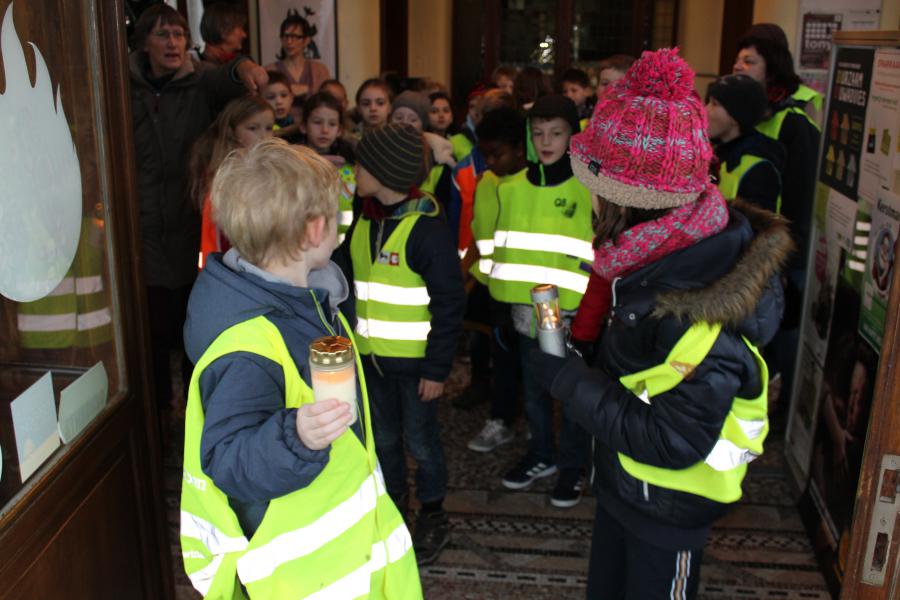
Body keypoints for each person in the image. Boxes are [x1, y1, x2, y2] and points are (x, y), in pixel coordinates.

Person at [545, 48, 793, 598]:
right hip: (626, 485)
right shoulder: (647, 258)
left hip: (669, 508)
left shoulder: (697, 306)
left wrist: (568, 379)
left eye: (593, 182)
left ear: (626, 199)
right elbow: (639, 375)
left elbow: (674, 438)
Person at [179, 139, 421, 598]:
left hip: (344, 554)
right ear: (314, 231)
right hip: (302, 578)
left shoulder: (310, 300)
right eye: (337, 215)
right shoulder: (248, 346)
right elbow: (228, 459)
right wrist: (297, 437)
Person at [334, 123, 465, 566]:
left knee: (421, 442)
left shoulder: (426, 230)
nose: (356, 170)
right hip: (371, 363)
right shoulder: (362, 217)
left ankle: (433, 512)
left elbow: (449, 304)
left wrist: (436, 369)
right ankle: (392, 508)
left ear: (386, 172)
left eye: (362, 163)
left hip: (415, 369)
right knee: (385, 439)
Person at [129, 4, 267, 417]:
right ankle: (155, 421)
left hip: (192, 228)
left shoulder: (200, 81)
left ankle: (196, 418)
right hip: (144, 231)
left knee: (196, 334)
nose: (172, 43)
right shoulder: (123, 84)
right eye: (162, 35)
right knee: (150, 338)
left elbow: (227, 81)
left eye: (178, 34)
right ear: (143, 43)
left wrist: (241, 65)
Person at [489, 95, 593, 509]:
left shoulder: (587, 188)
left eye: (556, 133)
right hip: (525, 309)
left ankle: (571, 464)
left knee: (569, 392)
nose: (546, 141)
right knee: (534, 389)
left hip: (568, 310)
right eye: (538, 134)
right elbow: (502, 249)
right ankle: (542, 454)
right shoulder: (510, 187)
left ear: (573, 136)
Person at [734, 23, 820, 402]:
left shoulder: (793, 121)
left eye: (749, 61)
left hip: (780, 253)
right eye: (738, 58)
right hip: (746, 248)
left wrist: (784, 260)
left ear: (771, 67)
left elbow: (799, 199)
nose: (739, 66)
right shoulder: (749, 112)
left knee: (778, 332)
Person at [463, 107, 528, 452]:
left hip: (533, 290)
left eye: (496, 154)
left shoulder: (534, 183)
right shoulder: (487, 182)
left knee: (535, 362)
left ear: (520, 149)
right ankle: (501, 419)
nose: (488, 162)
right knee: (501, 356)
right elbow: (480, 235)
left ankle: (537, 423)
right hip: (494, 288)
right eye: (484, 154)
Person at [190, 96, 275, 269]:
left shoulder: (269, 166)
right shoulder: (225, 176)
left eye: (269, 128)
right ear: (232, 132)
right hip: (232, 265)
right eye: (253, 128)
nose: (264, 136)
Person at [706, 74, 785, 213]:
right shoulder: (715, 152)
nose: (705, 110)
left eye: (714, 104)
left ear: (735, 117)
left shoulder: (759, 169)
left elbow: (757, 229)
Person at [300, 91, 357, 243]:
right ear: (303, 126)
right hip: (304, 242)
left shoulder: (351, 163)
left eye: (332, 124)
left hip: (344, 243)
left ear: (339, 130)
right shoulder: (293, 164)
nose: (324, 130)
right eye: (317, 122)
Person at [265, 10, 330, 105]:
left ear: (306, 40)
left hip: (312, 119)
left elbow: (326, 101)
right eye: (286, 36)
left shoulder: (320, 70)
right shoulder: (269, 70)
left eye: (295, 37)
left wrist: (307, 90)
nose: (289, 42)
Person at [263, 70, 302, 143]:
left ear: (291, 98)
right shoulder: (260, 125)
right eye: (271, 97)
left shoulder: (296, 123)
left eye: (284, 95)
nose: (279, 102)